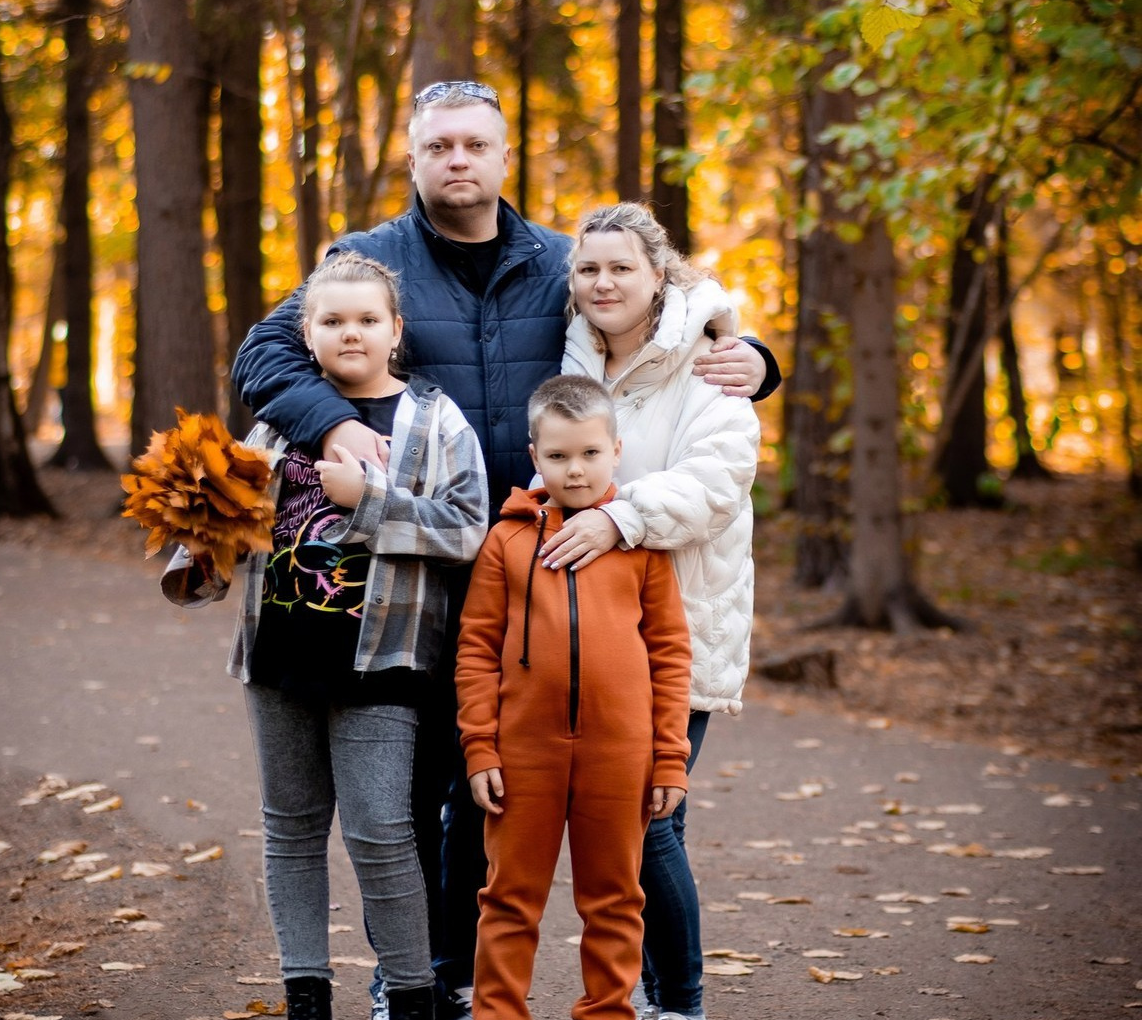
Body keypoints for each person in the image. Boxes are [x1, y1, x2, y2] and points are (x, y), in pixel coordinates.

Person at [230, 80, 780, 1018]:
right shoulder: (365, 260)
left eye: (474, 145)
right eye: (439, 145)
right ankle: (423, 985)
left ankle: (657, 999)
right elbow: (263, 357)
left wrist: (757, 357)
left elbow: (680, 305)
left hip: (550, 583)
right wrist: (328, 425)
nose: (457, 160)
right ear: (413, 158)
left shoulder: (559, 263)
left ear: (502, 157)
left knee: (548, 811)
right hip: (410, 580)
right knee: (413, 802)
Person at [164, 253, 489, 1020]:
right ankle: (306, 992)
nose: (352, 333)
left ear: (395, 330)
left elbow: (467, 530)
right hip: (278, 659)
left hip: (383, 663)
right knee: (292, 829)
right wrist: (196, 544)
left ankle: (413, 996)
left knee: (381, 828)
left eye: (368, 320)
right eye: (333, 320)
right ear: (306, 335)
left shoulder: (435, 421)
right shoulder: (276, 423)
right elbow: (234, 529)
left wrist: (370, 502)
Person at [538, 202, 760, 1020]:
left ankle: (682, 1003)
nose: (603, 282)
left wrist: (615, 514)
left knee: (643, 814)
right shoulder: (571, 360)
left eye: (621, 267)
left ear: (658, 274)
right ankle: (660, 996)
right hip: (590, 633)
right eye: (588, 268)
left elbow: (717, 479)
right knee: (655, 817)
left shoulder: (713, 365)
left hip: (682, 626)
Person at [456, 374, 693, 1020]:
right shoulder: (505, 541)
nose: (576, 469)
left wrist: (669, 756)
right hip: (523, 754)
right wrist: (481, 749)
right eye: (558, 456)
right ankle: (499, 1012)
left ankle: (608, 1011)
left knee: (615, 898)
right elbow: (477, 649)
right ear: (535, 457)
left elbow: (671, 655)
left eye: (591, 453)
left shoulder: (639, 546)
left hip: (620, 755)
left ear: (616, 450)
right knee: (508, 898)